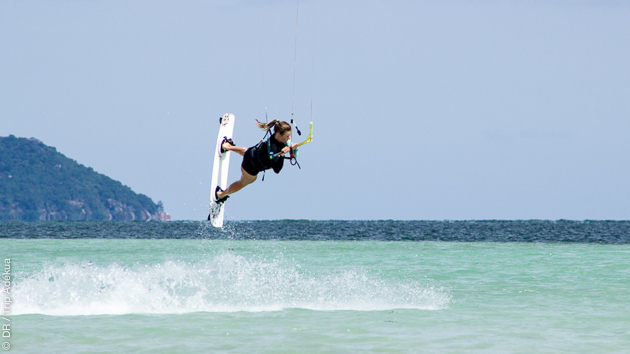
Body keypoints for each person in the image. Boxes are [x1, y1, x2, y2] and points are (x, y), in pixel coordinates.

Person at [215, 119, 298, 202]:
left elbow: (282, 138)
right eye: (287, 136)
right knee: (242, 183)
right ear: (279, 135)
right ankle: (220, 195)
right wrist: (283, 154)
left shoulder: (275, 136)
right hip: (250, 168)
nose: (289, 138)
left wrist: (290, 148)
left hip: (250, 153)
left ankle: (226, 146)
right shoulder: (274, 148)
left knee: (246, 150)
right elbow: (277, 170)